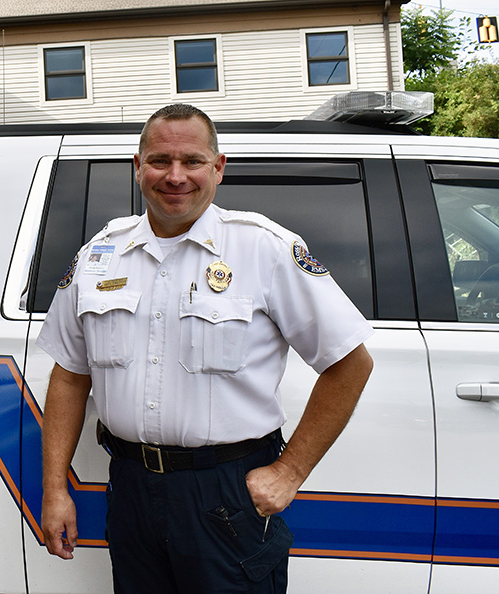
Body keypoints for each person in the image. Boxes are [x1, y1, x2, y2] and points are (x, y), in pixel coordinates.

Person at [36, 103, 374, 593]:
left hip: (227, 493)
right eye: (160, 161)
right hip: (130, 486)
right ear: (137, 166)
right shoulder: (98, 255)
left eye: (192, 161)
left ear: (218, 167)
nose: (175, 176)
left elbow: (350, 363)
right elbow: (69, 374)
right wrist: (54, 489)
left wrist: (290, 472)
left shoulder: (264, 248)